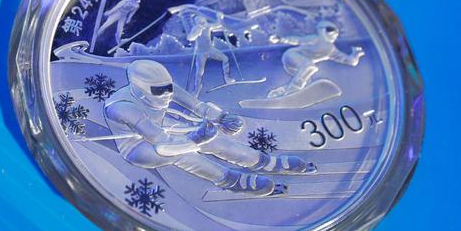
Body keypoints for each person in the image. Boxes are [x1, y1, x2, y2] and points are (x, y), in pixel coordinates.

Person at [104, 60, 314, 196]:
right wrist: (195, 139)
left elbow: (197, 106)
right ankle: (231, 180)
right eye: (159, 91)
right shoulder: (122, 107)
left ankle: (265, 162)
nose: (167, 94)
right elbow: (162, 146)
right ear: (139, 90)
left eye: (168, 88)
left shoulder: (163, 87)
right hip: (138, 148)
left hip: (160, 130)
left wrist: (222, 118)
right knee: (183, 154)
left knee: (214, 141)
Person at [267, 21, 365, 98]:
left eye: (335, 32)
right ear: (323, 30)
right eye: (330, 30)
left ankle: (279, 92)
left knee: (307, 81)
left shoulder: (332, 50)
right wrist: (280, 39)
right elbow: (298, 40)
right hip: (292, 56)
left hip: (297, 68)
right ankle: (292, 91)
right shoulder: (316, 39)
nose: (334, 33)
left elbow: (350, 61)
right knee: (309, 67)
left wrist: (356, 54)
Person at [187, 12, 235, 94]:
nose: (202, 23)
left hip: (210, 49)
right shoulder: (196, 28)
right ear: (197, 23)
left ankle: (227, 78)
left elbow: (218, 25)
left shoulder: (208, 26)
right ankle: (196, 90)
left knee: (225, 59)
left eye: (203, 21)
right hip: (201, 52)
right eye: (200, 22)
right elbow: (189, 38)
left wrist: (219, 17)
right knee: (199, 72)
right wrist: (196, 33)